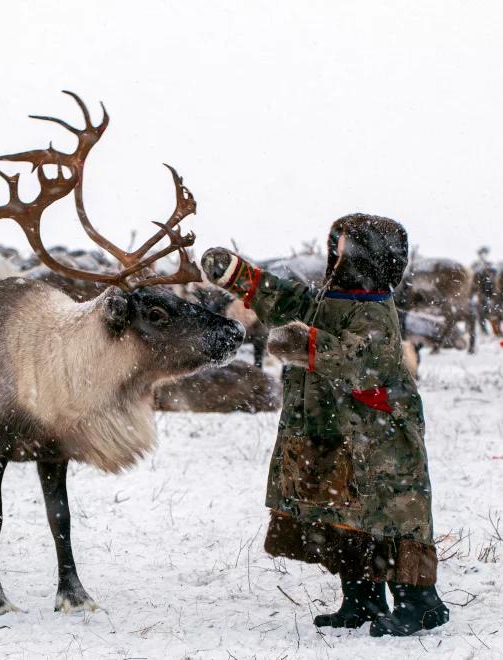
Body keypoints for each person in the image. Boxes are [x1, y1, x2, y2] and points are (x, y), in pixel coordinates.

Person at [199, 214, 448, 637]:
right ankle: (361, 598)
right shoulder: (329, 297)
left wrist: (306, 345)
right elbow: (284, 299)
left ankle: (420, 603)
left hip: (380, 435)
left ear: (368, 257)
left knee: (394, 517)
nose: (335, 254)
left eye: (345, 247)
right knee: (345, 513)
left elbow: (364, 360)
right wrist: (238, 275)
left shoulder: (374, 310)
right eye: (335, 244)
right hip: (335, 428)